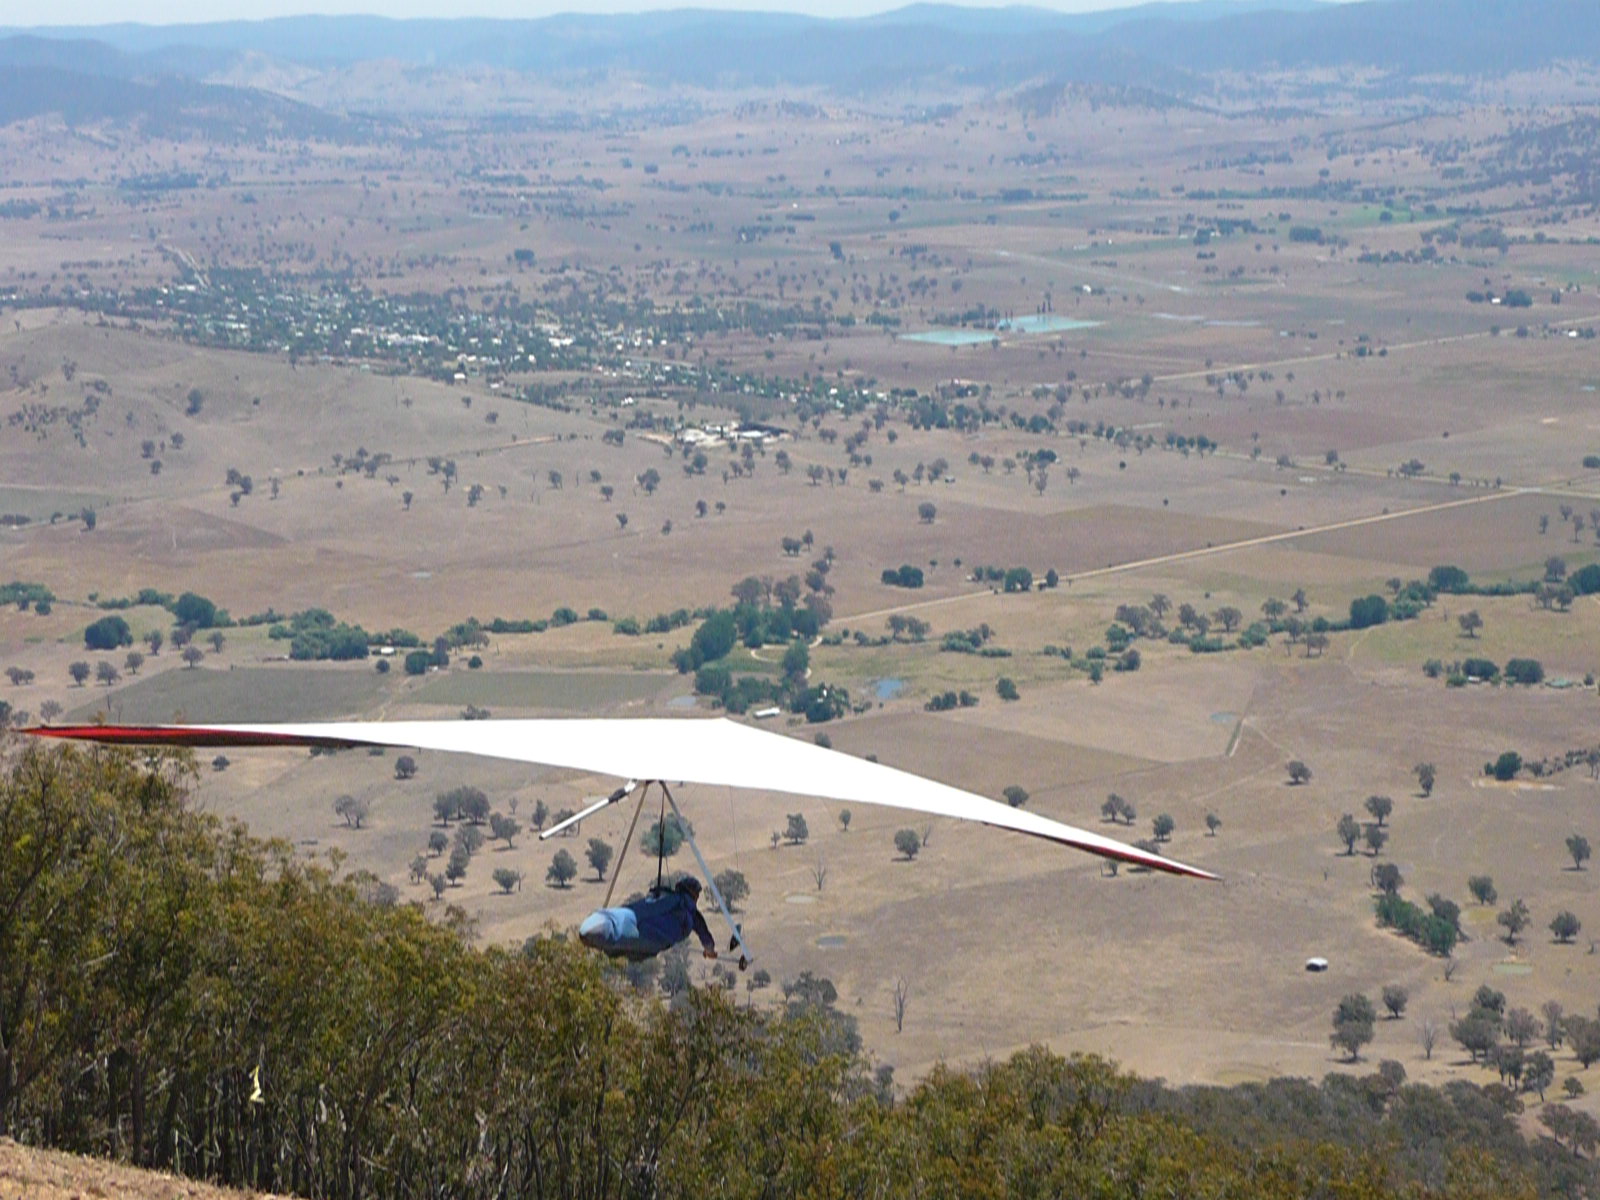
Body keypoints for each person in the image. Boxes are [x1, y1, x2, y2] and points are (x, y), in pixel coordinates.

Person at [578, 876, 718, 961]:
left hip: (635, 926)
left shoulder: (670, 899)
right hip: (652, 941)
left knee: (622, 933)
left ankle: (603, 933)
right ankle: (605, 936)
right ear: (694, 895)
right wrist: (710, 951)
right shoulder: (691, 912)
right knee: (629, 944)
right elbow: (705, 937)